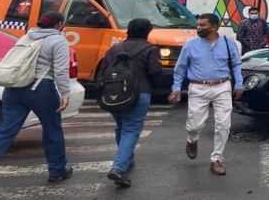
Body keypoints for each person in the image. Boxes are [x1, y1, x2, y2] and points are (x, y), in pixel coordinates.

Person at [0, 12, 73, 183]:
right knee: (52, 128)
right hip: (41, 88)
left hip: (14, 87)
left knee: (5, 130)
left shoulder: (27, 37)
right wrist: (65, 93)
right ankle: (57, 170)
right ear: (59, 24)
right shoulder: (58, 40)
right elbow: (61, 70)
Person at [168, 13, 243, 176]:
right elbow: (180, 69)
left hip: (222, 86)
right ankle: (192, 140)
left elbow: (236, 65)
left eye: (203, 25)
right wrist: (176, 88)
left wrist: (238, 84)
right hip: (198, 87)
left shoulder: (229, 44)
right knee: (195, 125)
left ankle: (216, 159)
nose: (198, 28)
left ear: (215, 27)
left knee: (224, 124)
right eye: (198, 25)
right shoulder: (190, 45)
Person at [98, 18, 162, 188]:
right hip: (139, 93)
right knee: (131, 129)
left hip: (114, 95)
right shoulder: (151, 49)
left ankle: (127, 159)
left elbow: (103, 71)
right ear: (147, 32)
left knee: (121, 127)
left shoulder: (114, 49)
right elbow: (155, 72)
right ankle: (118, 167)